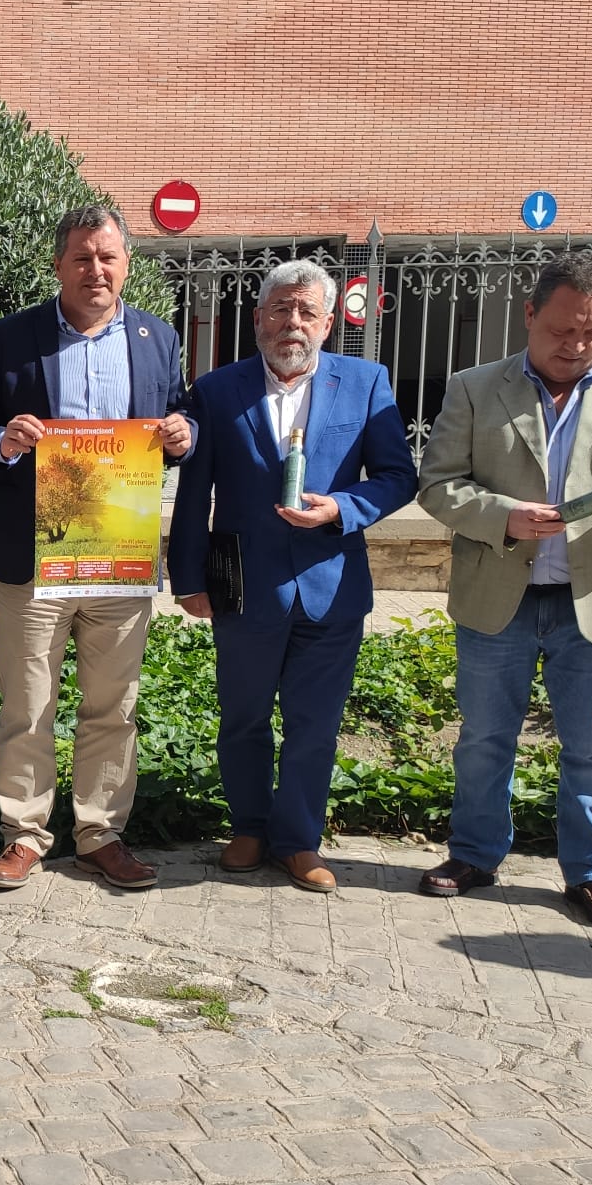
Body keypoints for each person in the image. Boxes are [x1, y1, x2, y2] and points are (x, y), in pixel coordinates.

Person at [417, 250, 592, 930]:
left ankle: (591, 873)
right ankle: (476, 854)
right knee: (485, 738)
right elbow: (438, 484)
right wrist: (502, 517)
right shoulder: (473, 388)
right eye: (563, 330)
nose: (576, 345)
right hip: (500, 595)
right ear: (529, 316)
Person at [0, 204, 194, 893]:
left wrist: (184, 436)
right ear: (59, 264)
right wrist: (1, 439)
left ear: (126, 264)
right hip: (35, 556)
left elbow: (179, 417)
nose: (97, 269)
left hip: (119, 553)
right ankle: (24, 835)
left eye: (109, 257)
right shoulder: (12, 337)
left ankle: (100, 834)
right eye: (83, 257)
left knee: (112, 706)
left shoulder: (156, 337)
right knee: (27, 704)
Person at [169, 260, 416, 890]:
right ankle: (250, 828)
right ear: (258, 319)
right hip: (243, 586)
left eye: (307, 311)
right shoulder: (219, 391)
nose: (293, 323)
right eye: (281, 309)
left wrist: (343, 509)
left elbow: (396, 476)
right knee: (242, 716)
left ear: (329, 322)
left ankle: (299, 840)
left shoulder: (366, 382)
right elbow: (195, 494)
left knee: (316, 724)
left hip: (331, 584)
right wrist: (188, 577)